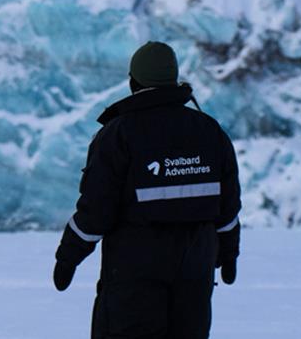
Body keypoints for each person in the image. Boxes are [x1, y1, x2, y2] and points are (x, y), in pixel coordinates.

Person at [53, 41, 242, 338]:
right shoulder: (209, 131)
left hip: (134, 272)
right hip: (195, 269)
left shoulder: (118, 134)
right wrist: (229, 251)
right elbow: (228, 206)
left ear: (134, 81)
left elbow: (96, 210)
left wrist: (68, 256)